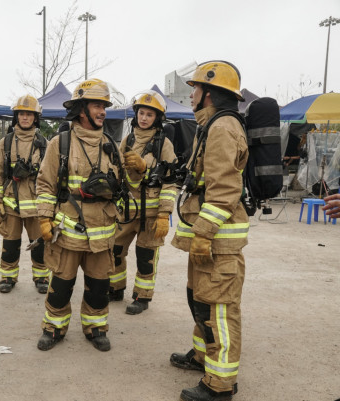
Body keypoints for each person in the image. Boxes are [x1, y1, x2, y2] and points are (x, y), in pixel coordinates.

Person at [35, 79, 136, 352]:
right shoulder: (60, 143)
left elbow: (122, 185)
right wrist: (44, 218)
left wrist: (133, 172)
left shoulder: (111, 145)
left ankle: (96, 327)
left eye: (104, 105)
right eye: (96, 105)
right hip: (68, 229)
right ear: (82, 109)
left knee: (98, 286)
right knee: (61, 285)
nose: (102, 111)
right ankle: (53, 328)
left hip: (102, 230)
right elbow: (45, 183)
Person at [170, 61, 249, 401]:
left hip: (217, 241)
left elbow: (224, 189)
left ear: (210, 94)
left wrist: (203, 233)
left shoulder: (222, 128)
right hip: (207, 238)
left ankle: (220, 385)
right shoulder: (212, 125)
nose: (191, 95)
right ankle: (203, 356)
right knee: (200, 298)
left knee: (218, 307)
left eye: (195, 89)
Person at [108, 90, 177, 315]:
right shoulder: (128, 140)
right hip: (127, 210)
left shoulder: (163, 144)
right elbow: (117, 171)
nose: (144, 118)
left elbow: (169, 179)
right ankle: (116, 288)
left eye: (149, 114)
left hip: (151, 213)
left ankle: (142, 297)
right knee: (115, 249)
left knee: (145, 256)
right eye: (141, 113)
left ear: (157, 118)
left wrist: (164, 214)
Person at [0, 95, 49, 294]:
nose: (25, 118)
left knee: (39, 244)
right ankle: (7, 276)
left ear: (35, 117)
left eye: (29, 114)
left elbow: (50, 177)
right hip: (11, 203)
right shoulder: (5, 143)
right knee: (10, 243)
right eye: (21, 114)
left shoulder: (44, 144)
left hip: (36, 204)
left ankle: (41, 277)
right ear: (16, 116)